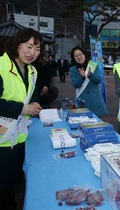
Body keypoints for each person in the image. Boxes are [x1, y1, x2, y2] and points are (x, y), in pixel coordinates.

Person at [0, 28, 43, 209]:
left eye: (37, 48)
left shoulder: (32, 71)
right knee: (3, 188)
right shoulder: (1, 65)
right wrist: (25, 108)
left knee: (15, 182)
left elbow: (29, 95)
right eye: (29, 46)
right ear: (17, 44)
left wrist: (36, 104)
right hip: (2, 140)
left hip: (20, 135)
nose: (32, 52)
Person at [69, 46, 108, 117]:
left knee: (97, 125)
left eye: (80, 54)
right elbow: (75, 85)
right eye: (76, 56)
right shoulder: (73, 70)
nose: (79, 57)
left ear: (84, 54)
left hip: (95, 100)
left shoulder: (93, 65)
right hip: (82, 102)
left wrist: (90, 75)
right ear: (73, 58)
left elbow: (98, 80)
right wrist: (82, 77)